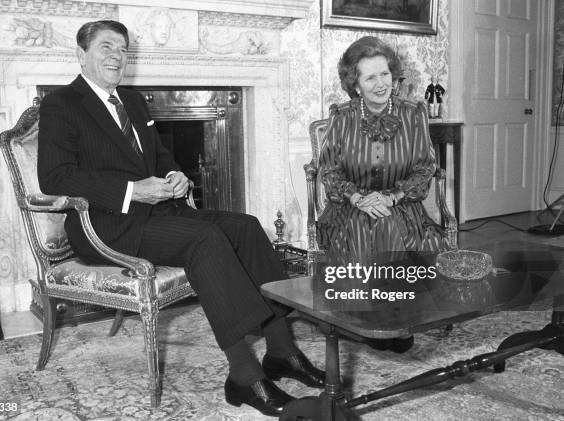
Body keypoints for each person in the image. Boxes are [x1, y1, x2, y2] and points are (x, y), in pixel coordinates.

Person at [37, 20, 324, 417]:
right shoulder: (61, 104)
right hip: (104, 225)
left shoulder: (133, 102)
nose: (116, 57)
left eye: (122, 50)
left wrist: (176, 175)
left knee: (245, 226)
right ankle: (243, 375)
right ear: (81, 55)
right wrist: (133, 191)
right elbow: (54, 178)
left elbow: (158, 156)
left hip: (156, 213)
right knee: (203, 238)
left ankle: (282, 350)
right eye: (106, 47)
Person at [318, 36, 448, 281]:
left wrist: (392, 198)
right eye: (370, 77)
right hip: (349, 206)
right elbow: (329, 170)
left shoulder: (413, 114)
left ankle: (391, 307)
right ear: (355, 85)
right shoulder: (342, 117)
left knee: (387, 222)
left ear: (393, 75)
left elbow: (424, 169)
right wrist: (357, 198)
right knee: (364, 225)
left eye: (385, 74)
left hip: (402, 205)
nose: (381, 84)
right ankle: (365, 309)